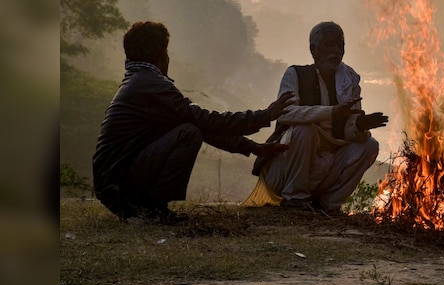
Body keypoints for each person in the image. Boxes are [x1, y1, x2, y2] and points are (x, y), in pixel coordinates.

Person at [93, 21, 294, 224]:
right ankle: (152, 210)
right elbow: (205, 121)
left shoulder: (139, 82)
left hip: (113, 182)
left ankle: (147, 209)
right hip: (118, 184)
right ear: (162, 54)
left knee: (189, 129)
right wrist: (265, 115)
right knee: (188, 133)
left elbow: (203, 126)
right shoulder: (152, 86)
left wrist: (250, 146)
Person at [246, 21, 388, 214]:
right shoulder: (296, 74)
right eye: (330, 45)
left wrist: (360, 126)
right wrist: (331, 112)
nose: (336, 51)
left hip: (326, 166)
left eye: (340, 46)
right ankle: (295, 199)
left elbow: (349, 133)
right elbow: (286, 113)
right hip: (285, 170)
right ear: (314, 50)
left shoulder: (349, 83)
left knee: (369, 145)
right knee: (305, 129)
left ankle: (329, 205)